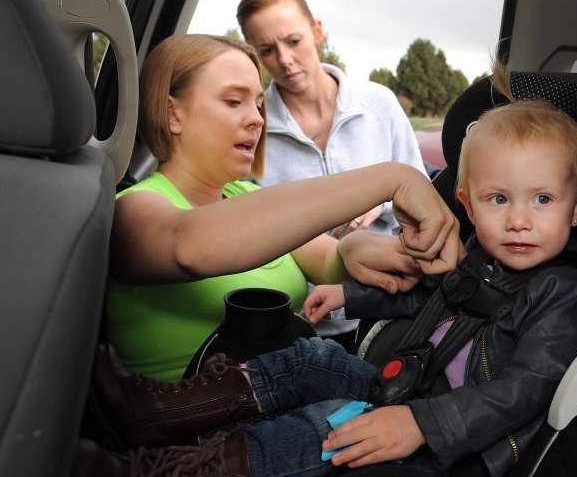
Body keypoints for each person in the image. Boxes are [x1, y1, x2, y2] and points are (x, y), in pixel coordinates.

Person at [79, 69, 577, 477]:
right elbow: (429, 297)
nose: (519, 222)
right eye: (499, 200)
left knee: (331, 424)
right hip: (410, 389)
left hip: (455, 443)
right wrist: (351, 294)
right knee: (312, 358)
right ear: (466, 204)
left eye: (544, 200)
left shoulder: (565, 291)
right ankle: (152, 414)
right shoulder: (480, 257)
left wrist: (422, 424)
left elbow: (522, 391)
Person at [105, 33, 459, 383]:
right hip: (201, 430)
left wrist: (359, 249)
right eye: (233, 101)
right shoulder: (132, 209)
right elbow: (187, 246)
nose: (258, 119)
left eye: (258, 104)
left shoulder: (245, 194)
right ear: (173, 115)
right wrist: (390, 179)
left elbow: (328, 260)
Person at [236, 0, 429, 345]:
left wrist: (380, 198)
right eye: (267, 50)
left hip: (387, 309)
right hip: (300, 324)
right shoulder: (251, 129)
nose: (285, 60)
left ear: (317, 31)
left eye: (293, 41)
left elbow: (422, 195)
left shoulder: (380, 104)